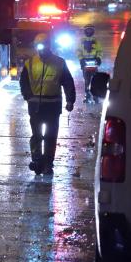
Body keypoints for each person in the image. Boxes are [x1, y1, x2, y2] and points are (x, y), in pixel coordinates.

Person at [20, 33, 75, 176]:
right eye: (39, 46)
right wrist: (28, 96)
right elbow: (24, 82)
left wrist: (70, 100)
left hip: (52, 106)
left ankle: (48, 164)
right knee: (37, 135)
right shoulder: (30, 63)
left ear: (49, 46)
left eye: (44, 46)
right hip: (36, 107)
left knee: (50, 137)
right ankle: (37, 161)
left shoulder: (59, 63)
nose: (41, 50)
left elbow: (68, 82)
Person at [76, 24, 103, 102]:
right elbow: (78, 51)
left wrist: (98, 58)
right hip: (85, 63)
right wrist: (81, 59)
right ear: (85, 31)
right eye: (87, 30)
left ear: (93, 31)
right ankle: (87, 95)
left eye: (90, 30)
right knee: (87, 80)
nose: (89, 31)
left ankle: (95, 96)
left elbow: (100, 51)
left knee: (95, 80)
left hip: (94, 63)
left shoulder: (96, 41)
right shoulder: (81, 41)